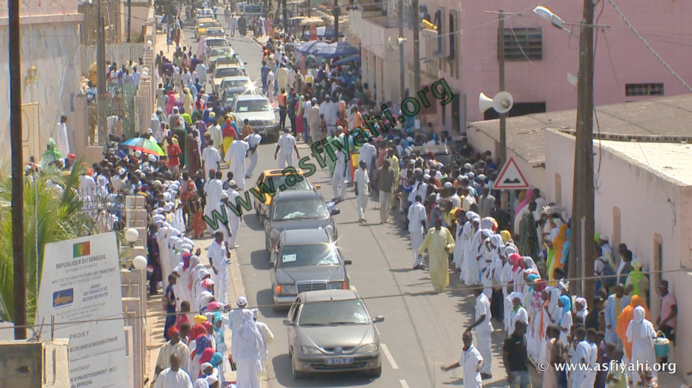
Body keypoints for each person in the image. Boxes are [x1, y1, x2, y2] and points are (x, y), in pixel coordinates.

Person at [231, 309, 266, 388]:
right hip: (252, 358)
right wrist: (262, 356)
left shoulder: (239, 331)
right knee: (253, 377)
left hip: (241, 358)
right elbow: (261, 343)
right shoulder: (255, 331)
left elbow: (234, 346)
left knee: (242, 377)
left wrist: (235, 358)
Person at [418, 218, 455, 292]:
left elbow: (452, 242)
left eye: (438, 224)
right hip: (433, 254)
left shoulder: (445, 231)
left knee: (443, 271)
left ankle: (441, 286)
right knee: (434, 270)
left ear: (441, 224)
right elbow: (426, 242)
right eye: (435, 224)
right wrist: (420, 252)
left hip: (443, 255)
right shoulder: (431, 231)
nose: (436, 226)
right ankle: (436, 286)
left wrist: (448, 247)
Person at [626, 306, 659, 386]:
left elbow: (628, 337)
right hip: (647, 350)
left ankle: (638, 384)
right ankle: (651, 384)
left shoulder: (632, 323)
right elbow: (654, 335)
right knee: (649, 367)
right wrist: (658, 333)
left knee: (637, 368)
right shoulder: (648, 324)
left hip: (636, 350)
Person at [466, 286, 493, 379]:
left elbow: (483, 316)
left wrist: (471, 326)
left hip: (483, 329)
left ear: (476, 291)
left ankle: (487, 371)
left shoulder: (481, 301)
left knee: (485, 350)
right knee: (482, 349)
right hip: (482, 329)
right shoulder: (482, 297)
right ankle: (483, 369)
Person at [503, 320, 532, 388]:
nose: (526, 329)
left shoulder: (524, 338)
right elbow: (505, 356)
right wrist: (508, 372)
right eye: (524, 327)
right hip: (515, 372)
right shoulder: (509, 340)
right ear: (519, 328)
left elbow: (524, 354)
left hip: (525, 371)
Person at [656, 279, 676, 363]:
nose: (660, 289)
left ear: (665, 287)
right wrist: (659, 318)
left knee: (662, 343)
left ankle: (663, 362)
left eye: (661, 286)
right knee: (660, 341)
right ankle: (662, 361)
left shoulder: (670, 297)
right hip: (664, 323)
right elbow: (664, 310)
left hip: (668, 324)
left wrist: (665, 320)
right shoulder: (664, 297)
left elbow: (674, 311)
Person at [208, 231, 231, 305]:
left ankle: (223, 303)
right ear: (217, 237)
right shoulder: (212, 246)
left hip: (223, 268)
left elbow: (228, 256)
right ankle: (215, 303)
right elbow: (210, 258)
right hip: (216, 269)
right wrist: (214, 268)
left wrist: (227, 247)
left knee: (223, 286)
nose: (223, 238)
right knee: (216, 286)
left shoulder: (224, 244)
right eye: (221, 236)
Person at [408, 195, 427, 270]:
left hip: (411, 228)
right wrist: (426, 228)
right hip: (418, 229)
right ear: (420, 199)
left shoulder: (411, 207)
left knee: (414, 246)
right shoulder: (421, 207)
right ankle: (417, 264)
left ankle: (419, 262)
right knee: (419, 246)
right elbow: (422, 219)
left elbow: (408, 217)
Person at [377, 159, 395, 224]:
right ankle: (382, 219)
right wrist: (377, 189)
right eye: (387, 165)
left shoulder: (391, 170)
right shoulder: (379, 170)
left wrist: (394, 188)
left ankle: (386, 217)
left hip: (389, 190)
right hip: (382, 190)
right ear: (383, 164)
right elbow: (376, 179)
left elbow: (393, 179)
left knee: (388, 206)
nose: (388, 166)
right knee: (382, 204)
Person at [164, 274, 178, 340]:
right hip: (171, 308)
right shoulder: (169, 288)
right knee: (171, 322)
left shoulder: (170, 287)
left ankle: (167, 335)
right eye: (174, 279)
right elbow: (169, 296)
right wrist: (172, 303)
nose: (176, 281)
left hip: (170, 308)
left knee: (169, 321)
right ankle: (168, 336)